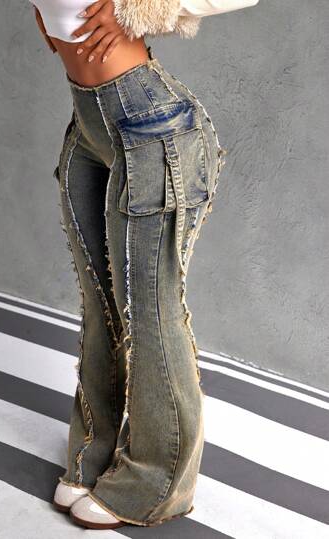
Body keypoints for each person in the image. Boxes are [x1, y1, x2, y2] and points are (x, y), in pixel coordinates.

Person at [31, 0, 259, 530]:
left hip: (153, 125)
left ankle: (157, 484)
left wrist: (148, 7)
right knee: (101, 305)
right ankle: (96, 453)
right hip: (89, 123)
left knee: (150, 312)